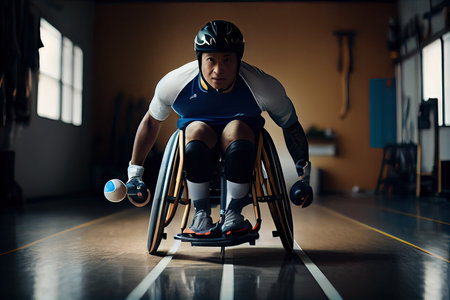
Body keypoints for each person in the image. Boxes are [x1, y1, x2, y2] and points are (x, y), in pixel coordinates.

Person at [127, 20, 312, 236]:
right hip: (198, 138)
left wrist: (303, 178)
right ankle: (201, 214)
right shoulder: (175, 83)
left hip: (241, 139)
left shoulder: (263, 86)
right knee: (196, 129)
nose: (218, 69)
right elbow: (151, 121)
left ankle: (233, 214)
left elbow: (290, 126)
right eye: (211, 60)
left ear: (238, 60)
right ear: (199, 59)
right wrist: (135, 174)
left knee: (237, 128)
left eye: (227, 60)